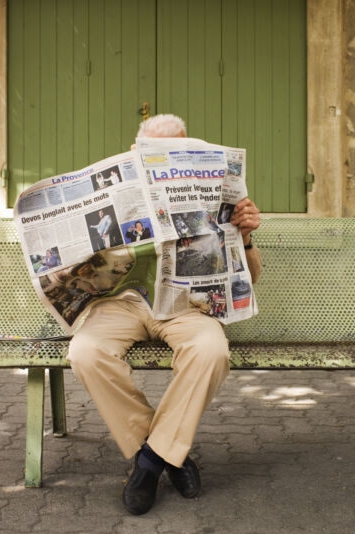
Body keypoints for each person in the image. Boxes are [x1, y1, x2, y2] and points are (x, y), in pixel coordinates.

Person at [66, 113, 263, 515]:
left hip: (186, 305)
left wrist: (245, 236)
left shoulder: (218, 194)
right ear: (136, 151)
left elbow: (251, 278)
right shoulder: (113, 190)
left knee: (211, 351)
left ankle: (150, 463)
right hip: (124, 303)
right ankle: (166, 451)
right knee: (85, 352)